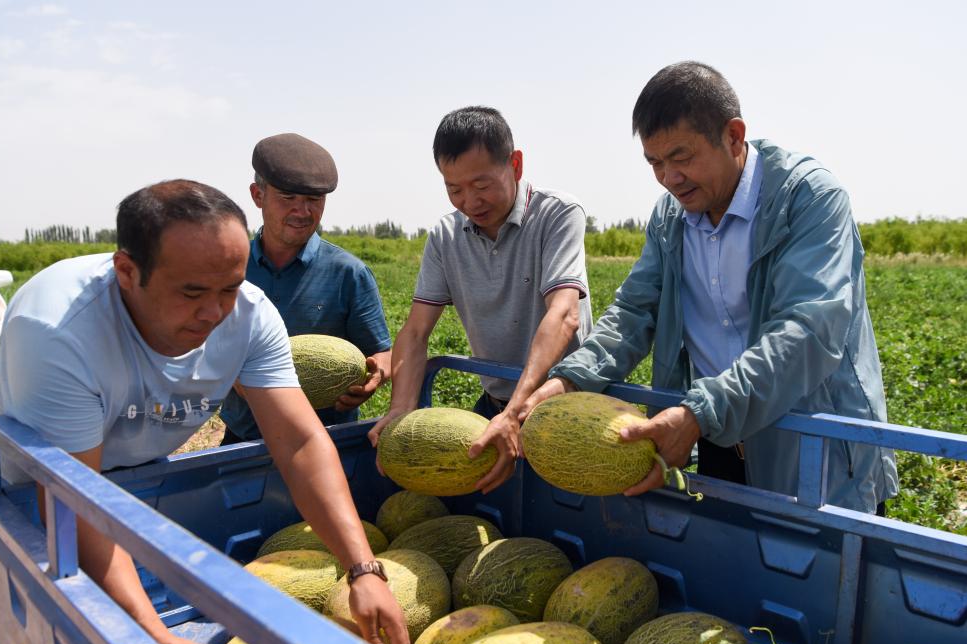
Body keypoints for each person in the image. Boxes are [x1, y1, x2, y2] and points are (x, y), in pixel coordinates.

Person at [0, 180, 409, 644]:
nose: (215, 312)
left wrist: (362, 569)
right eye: (192, 292)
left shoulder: (250, 314)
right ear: (127, 272)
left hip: (135, 487)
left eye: (229, 288)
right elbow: (71, 501)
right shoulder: (59, 330)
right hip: (24, 503)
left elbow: (299, 442)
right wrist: (153, 639)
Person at [525, 61, 898, 514]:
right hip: (715, 436)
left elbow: (809, 330)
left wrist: (702, 411)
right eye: (655, 163)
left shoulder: (807, 198)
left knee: (816, 574)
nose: (669, 178)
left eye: (681, 158)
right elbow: (633, 312)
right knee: (736, 567)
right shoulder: (670, 218)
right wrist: (571, 377)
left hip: (808, 444)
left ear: (734, 136)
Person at [368, 106, 593, 494]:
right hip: (497, 403)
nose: (470, 200)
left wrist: (517, 411)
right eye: (454, 189)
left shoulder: (558, 214)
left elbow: (564, 314)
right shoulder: (445, 235)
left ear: (516, 164)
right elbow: (417, 330)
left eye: (482, 184)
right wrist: (401, 409)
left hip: (562, 407)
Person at [219, 133, 391, 443]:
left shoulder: (349, 273)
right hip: (243, 437)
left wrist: (376, 375)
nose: (302, 211)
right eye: (288, 198)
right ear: (258, 195)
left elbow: (381, 352)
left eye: (313, 200)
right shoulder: (229, 269)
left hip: (326, 438)